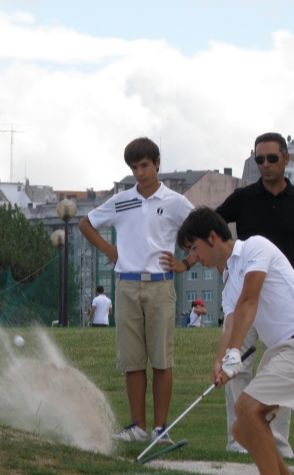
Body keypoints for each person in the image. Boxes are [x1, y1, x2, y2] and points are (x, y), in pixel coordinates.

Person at [176, 207, 294, 475]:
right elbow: (229, 326)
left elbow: (249, 300)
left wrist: (233, 355)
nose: (193, 258)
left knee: (246, 409)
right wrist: (220, 361)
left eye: (194, 248)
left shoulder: (254, 247)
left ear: (213, 236)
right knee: (242, 429)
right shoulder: (229, 283)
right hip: (284, 351)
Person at [78, 137, 194, 446]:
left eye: (144, 165)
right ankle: (137, 427)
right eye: (134, 167)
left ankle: (160, 429)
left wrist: (186, 264)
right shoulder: (121, 199)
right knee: (132, 360)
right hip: (126, 285)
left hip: (161, 285)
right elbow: (86, 223)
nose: (140, 173)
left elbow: (205, 230)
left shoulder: (176, 202)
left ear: (157, 162)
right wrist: (110, 250)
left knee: (161, 360)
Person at [215, 131, 294, 457]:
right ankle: (239, 440)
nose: (265, 165)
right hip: (244, 296)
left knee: (281, 371)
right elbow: (214, 228)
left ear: (286, 159)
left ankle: (275, 442)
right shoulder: (244, 197)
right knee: (237, 366)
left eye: (272, 158)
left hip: (283, 303)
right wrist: (225, 267)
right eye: (259, 159)